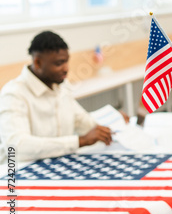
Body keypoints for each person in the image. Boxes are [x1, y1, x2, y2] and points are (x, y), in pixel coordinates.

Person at [0, 31, 113, 163]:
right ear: (38, 63)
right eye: (59, 63)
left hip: (57, 165)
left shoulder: (61, 86)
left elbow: (82, 121)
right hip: (17, 175)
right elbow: (17, 147)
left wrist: (112, 122)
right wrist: (79, 141)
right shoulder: (14, 94)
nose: (66, 69)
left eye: (66, 62)